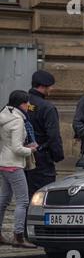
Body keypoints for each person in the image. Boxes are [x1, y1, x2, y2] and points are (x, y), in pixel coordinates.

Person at [0, 90, 38, 248]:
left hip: (3, 162)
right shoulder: (17, 120)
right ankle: (18, 236)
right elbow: (16, 148)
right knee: (22, 200)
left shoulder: (4, 114)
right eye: (26, 103)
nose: (29, 105)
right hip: (14, 165)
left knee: (4, 200)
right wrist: (30, 150)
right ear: (21, 104)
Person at [27, 70, 64, 201]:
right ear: (43, 86)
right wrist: (58, 155)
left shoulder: (22, 103)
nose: (52, 89)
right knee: (43, 196)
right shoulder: (47, 107)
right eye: (51, 86)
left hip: (22, 156)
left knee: (25, 197)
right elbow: (53, 135)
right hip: (42, 158)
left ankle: (25, 221)